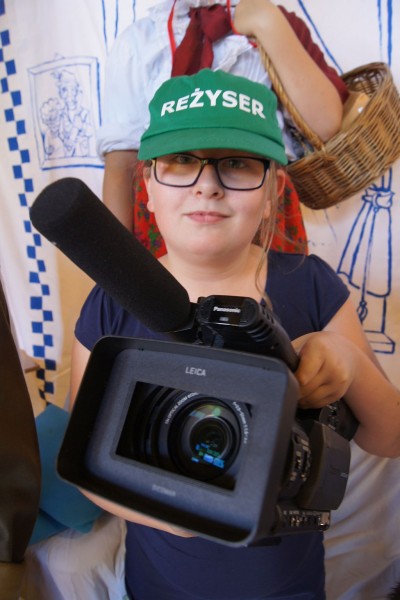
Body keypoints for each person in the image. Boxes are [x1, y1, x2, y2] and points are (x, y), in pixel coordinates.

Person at [71, 70, 400, 600]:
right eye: (181, 161)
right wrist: (169, 511)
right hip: (158, 587)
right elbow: (86, 459)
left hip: (287, 589)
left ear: (271, 194)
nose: (207, 184)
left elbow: (390, 438)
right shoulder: (111, 301)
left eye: (238, 163)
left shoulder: (311, 287)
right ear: (148, 187)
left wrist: (350, 362)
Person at [97, 0, 348, 254]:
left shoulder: (277, 22)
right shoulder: (140, 40)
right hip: (169, 210)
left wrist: (267, 22)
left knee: (265, 278)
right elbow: (121, 163)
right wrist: (115, 260)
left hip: (252, 204)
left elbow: (325, 125)